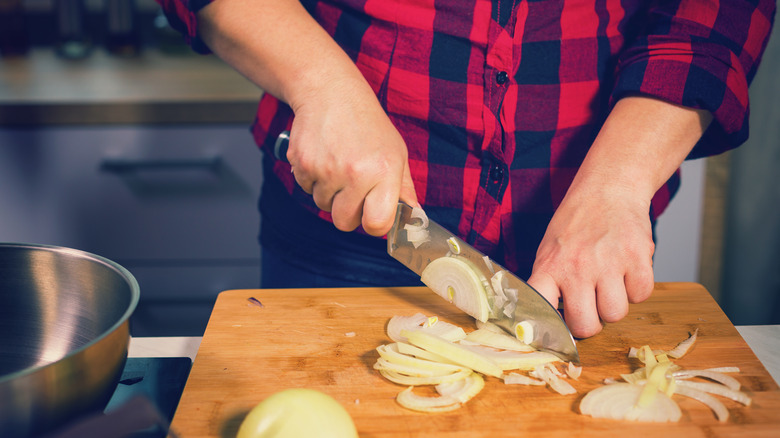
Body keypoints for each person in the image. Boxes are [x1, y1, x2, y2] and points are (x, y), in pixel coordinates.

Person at [157, 0, 775, 338]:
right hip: (346, 224)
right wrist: (322, 84)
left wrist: (617, 185)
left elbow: (718, 14)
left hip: (589, 242)